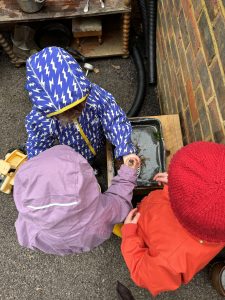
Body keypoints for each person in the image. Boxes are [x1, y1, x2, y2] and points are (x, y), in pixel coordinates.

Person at [121, 141, 225, 296]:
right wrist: (177, 183)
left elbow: (142, 273)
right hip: (155, 212)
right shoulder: (213, 221)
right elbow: (207, 195)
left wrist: (129, 235)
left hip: (145, 236)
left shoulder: (170, 259)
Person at [13, 145, 140, 255]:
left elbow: (24, 236)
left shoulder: (32, 227)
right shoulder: (102, 215)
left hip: (61, 244)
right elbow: (119, 200)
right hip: (92, 234)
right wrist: (128, 174)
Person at [25, 46, 136, 164]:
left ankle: (93, 160)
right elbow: (37, 148)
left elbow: (113, 117)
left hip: (97, 140)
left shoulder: (91, 94)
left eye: (80, 105)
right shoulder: (43, 119)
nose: (77, 113)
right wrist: (35, 169)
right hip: (73, 159)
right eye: (68, 112)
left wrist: (125, 149)